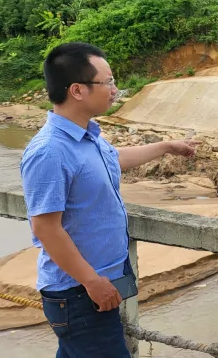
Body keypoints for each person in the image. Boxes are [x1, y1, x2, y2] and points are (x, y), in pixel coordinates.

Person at [20, 42, 198, 357]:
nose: (115, 90)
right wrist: (92, 282)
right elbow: (46, 228)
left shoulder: (88, 136)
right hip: (78, 294)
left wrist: (166, 146)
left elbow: (114, 159)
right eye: (108, 82)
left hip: (97, 285)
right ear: (77, 90)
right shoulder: (49, 150)